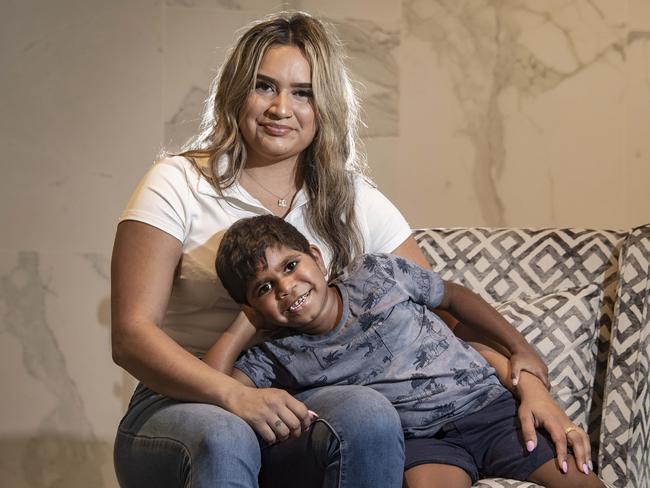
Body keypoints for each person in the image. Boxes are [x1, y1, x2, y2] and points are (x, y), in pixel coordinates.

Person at [111, 10, 569, 488]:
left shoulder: (354, 199)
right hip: (180, 404)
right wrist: (232, 394)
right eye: (264, 86)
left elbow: (440, 325)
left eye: (302, 92)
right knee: (227, 436)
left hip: (297, 408)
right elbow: (131, 334)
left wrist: (531, 387)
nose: (280, 108)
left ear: (324, 105)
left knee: (367, 410)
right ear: (235, 93)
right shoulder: (177, 183)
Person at [208, 215, 604, 488]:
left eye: (291, 265)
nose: (285, 287)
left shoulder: (376, 275)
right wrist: (244, 322)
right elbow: (213, 387)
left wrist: (521, 348)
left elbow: (452, 296)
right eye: (263, 288)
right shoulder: (276, 352)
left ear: (316, 256)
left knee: (583, 481)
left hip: (490, 411)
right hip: (421, 442)